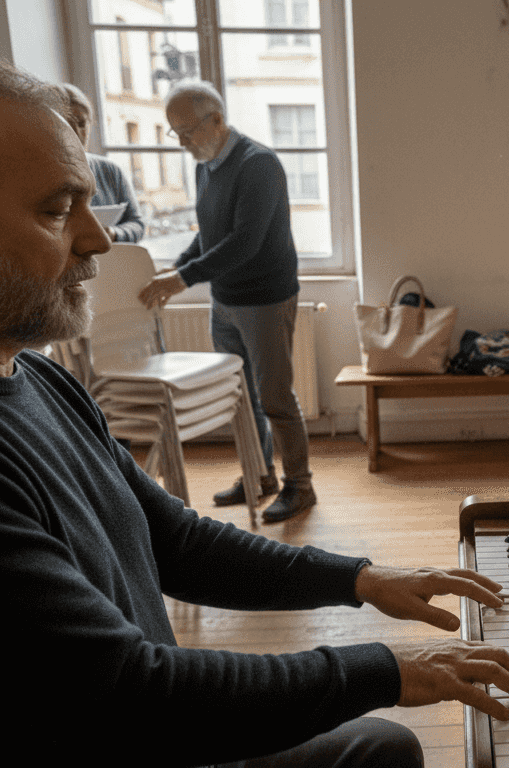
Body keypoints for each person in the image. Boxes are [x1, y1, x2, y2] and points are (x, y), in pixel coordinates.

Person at [0, 57, 509, 767]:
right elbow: (130, 695)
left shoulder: (40, 380)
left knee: (380, 749)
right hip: (141, 735)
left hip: (157, 736)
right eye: (54, 209)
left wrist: (359, 580)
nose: (98, 240)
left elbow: (176, 542)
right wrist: (388, 669)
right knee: (380, 750)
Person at [138, 80, 313, 523]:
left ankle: (300, 486)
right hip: (226, 299)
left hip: (266, 300)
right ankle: (259, 478)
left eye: (187, 131)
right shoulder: (205, 164)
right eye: (173, 133)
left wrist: (182, 278)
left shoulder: (259, 164)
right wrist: (176, 267)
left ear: (216, 119)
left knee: (274, 396)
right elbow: (209, 236)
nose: (181, 142)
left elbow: (244, 243)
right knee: (242, 398)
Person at [54, 81, 146, 243]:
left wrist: (114, 233)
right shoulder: (38, 176)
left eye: (82, 123)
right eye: (66, 124)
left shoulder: (110, 170)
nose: (75, 132)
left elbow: (137, 223)